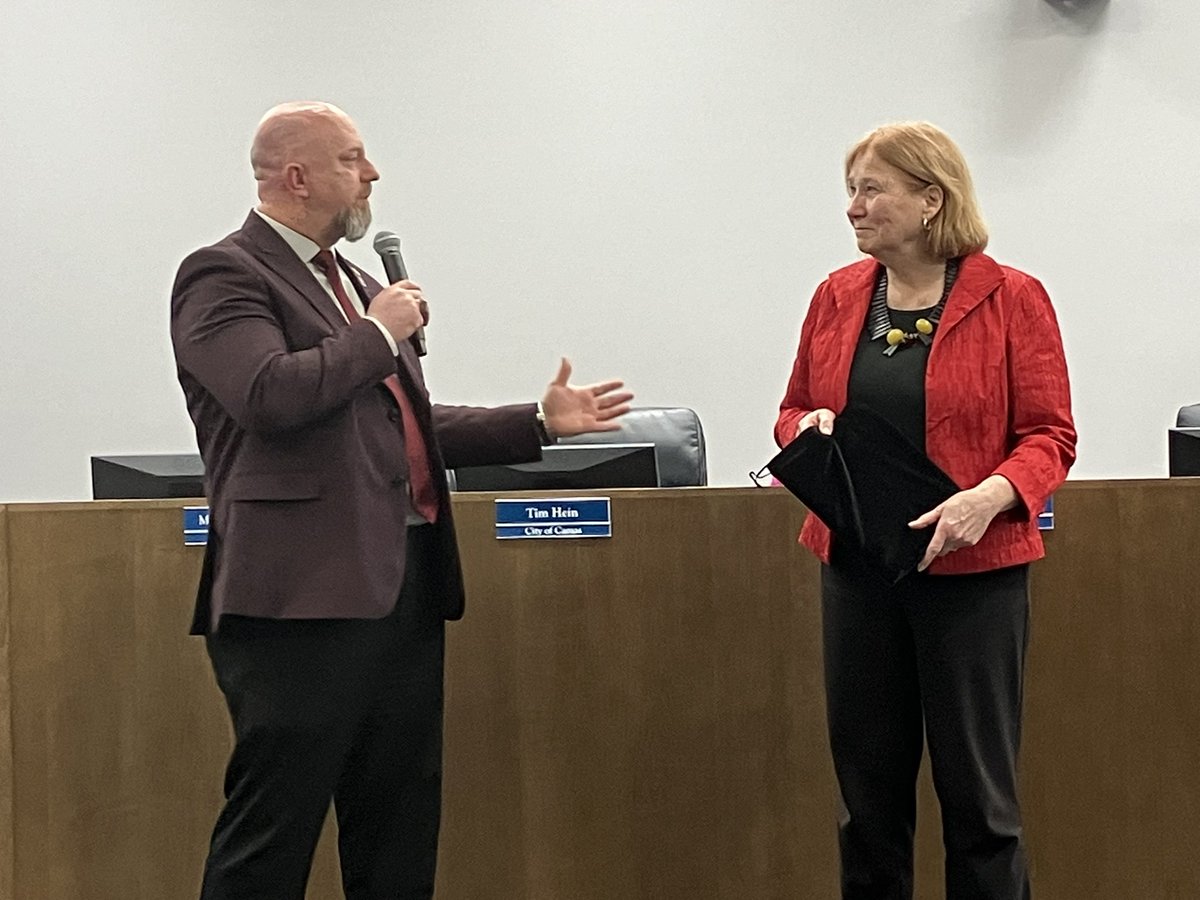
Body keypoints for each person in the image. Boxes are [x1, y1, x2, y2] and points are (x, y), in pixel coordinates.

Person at [170, 100, 633, 899]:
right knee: (273, 831)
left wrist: (537, 422)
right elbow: (267, 394)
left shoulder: (348, 280)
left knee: (398, 824)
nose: (374, 173)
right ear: (297, 176)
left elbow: (401, 426)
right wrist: (378, 334)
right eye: (354, 158)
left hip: (403, 587)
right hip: (299, 602)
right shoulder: (223, 273)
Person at [774, 122, 1076, 899]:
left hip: (972, 579)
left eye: (871, 189)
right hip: (859, 572)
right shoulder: (836, 297)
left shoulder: (1013, 297)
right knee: (867, 805)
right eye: (851, 189)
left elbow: (1050, 436)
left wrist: (992, 495)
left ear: (929, 198)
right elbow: (794, 409)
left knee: (981, 806)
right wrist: (806, 429)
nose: (853, 207)